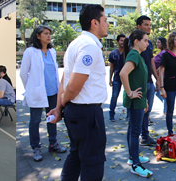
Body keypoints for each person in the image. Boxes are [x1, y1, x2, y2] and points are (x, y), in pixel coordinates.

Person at [45, 4, 109, 180]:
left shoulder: (77, 43)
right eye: (105, 20)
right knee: (92, 162)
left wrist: (59, 107)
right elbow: (72, 86)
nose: (108, 24)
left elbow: (65, 80)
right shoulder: (89, 46)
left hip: (77, 111)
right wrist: (63, 103)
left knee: (76, 155)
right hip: (86, 113)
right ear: (94, 22)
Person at [20, 24, 68, 162]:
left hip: (53, 91)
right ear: (37, 36)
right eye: (45, 33)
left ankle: (53, 143)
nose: (48, 36)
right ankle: (36, 147)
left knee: (52, 118)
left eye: (49, 33)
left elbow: (54, 72)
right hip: (37, 92)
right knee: (35, 120)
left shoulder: (52, 51)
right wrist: (30, 88)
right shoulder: (30, 51)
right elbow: (23, 73)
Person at [119, 29, 153, 177]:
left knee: (132, 129)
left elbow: (139, 79)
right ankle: (135, 165)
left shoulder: (137, 55)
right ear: (136, 42)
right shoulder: (134, 54)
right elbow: (123, 73)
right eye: (145, 40)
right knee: (135, 131)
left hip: (139, 100)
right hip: (134, 100)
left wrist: (144, 99)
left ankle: (133, 157)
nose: (147, 43)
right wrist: (130, 93)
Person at [135, 15, 158, 147]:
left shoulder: (148, 43)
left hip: (149, 82)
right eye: (146, 25)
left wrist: (157, 79)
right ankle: (136, 137)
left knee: (147, 111)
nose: (149, 27)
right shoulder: (133, 42)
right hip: (139, 83)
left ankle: (145, 136)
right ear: (139, 26)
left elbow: (151, 62)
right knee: (138, 112)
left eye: (150, 25)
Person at [108, 34, 127, 122]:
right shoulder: (113, 53)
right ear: (118, 42)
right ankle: (111, 114)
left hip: (127, 78)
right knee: (114, 96)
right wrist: (110, 79)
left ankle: (129, 115)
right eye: (121, 40)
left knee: (128, 96)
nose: (123, 42)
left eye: (124, 40)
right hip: (116, 78)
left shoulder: (128, 52)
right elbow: (111, 67)